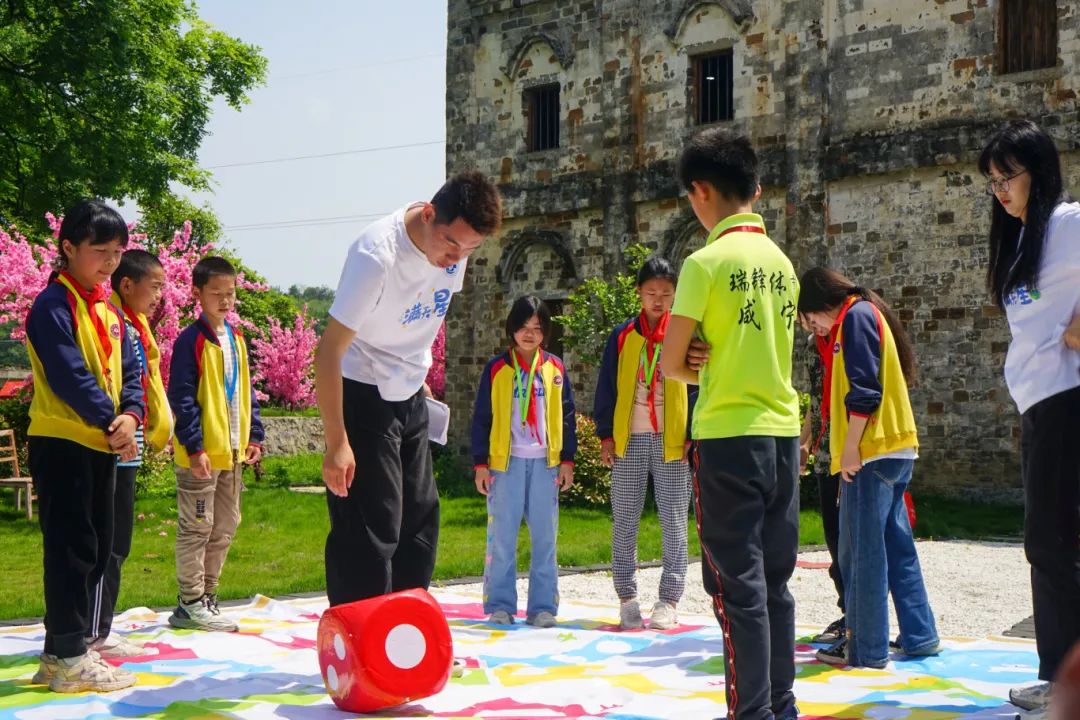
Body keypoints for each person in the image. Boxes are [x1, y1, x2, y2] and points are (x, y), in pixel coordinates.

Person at [661, 127, 801, 720]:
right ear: (757, 190)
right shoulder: (784, 264)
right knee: (775, 583)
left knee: (736, 588)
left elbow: (672, 363)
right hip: (783, 434)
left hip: (725, 438)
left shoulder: (703, 262)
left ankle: (752, 714)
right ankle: (782, 706)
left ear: (699, 192)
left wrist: (696, 361)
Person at [314, 171, 502, 606]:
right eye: (450, 244)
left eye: (469, 249)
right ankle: (362, 644)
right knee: (371, 526)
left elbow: (421, 318)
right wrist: (337, 442)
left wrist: (418, 379)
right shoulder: (375, 255)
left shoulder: (458, 249)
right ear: (430, 214)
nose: (454, 258)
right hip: (362, 390)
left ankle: (407, 635)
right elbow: (328, 354)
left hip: (411, 393)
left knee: (419, 520)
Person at [978, 119, 1080, 714]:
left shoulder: (1068, 223)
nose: (1000, 191)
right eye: (991, 182)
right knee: (1052, 539)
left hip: (1067, 399)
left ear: (1038, 172)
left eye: (1006, 178)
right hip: (1040, 404)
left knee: (1051, 539)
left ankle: (1061, 680)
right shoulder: (1023, 237)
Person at [25, 199, 143, 693]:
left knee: (95, 549)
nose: (111, 263)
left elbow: (132, 372)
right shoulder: (52, 306)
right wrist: (109, 420)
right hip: (64, 442)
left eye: (118, 252)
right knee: (71, 550)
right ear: (68, 247)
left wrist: (131, 416)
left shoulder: (110, 312)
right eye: (100, 251)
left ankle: (60, 654)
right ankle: (71, 655)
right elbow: (69, 374)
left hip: (101, 442)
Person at [797, 267, 939, 669]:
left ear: (820, 304)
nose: (815, 329)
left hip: (872, 451)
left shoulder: (855, 317)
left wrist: (849, 450)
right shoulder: (865, 314)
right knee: (897, 547)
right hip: (895, 448)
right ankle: (920, 635)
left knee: (862, 554)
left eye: (810, 320)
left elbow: (864, 392)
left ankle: (867, 649)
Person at [594, 257, 694, 631]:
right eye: (651, 292)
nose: (658, 300)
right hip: (629, 437)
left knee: (673, 519)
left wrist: (692, 434)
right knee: (624, 518)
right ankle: (627, 598)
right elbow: (607, 387)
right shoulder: (622, 336)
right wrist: (606, 434)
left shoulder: (684, 333)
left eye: (666, 294)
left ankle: (669, 599)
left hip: (672, 440)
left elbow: (699, 385)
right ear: (638, 293)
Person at [167, 256, 264, 632]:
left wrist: (254, 435)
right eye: (216, 293)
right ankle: (189, 601)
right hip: (202, 454)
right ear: (197, 294)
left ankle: (207, 596)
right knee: (197, 526)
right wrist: (194, 447)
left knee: (225, 526)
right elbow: (183, 396)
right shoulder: (191, 340)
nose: (225, 301)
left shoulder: (236, 339)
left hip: (233, 452)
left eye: (231, 293)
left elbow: (246, 393)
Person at [84, 250, 172, 657]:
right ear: (126, 285)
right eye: (154, 287)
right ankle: (94, 631)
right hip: (113, 446)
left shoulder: (134, 328)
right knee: (109, 543)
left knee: (116, 542)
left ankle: (97, 624)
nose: (159, 296)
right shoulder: (118, 326)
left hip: (128, 447)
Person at [470, 296, 576, 628]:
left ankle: (543, 608)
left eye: (537, 328)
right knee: (503, 538)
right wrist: (481, 463)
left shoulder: (555, 368)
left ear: (546, 332)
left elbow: (568, 415)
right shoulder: (498, 368)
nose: (529, 334)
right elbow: (481, 418)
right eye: (523, 327)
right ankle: (500, 605)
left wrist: (567, 460)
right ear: (511, 330)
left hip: (546, 465)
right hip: (507, 463)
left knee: (545, 538)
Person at [797, 318, 845, 645]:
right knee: (833, 536)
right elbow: (816, 400)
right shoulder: (814, 347)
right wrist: (804, 442)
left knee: (855, 541)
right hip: (826, 454)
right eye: (805, 322)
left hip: (854, 452)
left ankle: (863, 618)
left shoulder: (851, 336)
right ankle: (848, 613)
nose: (812, 326)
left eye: (814, 318)